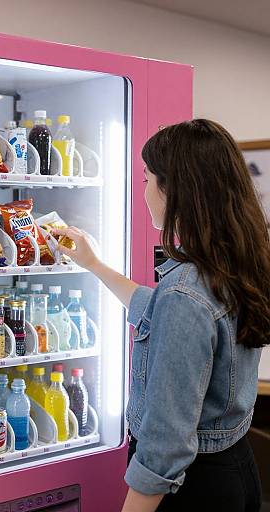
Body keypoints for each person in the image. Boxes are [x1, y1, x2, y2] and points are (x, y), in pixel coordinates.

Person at [53, 119, 269, 512]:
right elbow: (160, 312)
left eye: (148, 179)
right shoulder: (231, 262)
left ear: (176, 192)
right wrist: (95, 266)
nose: (144, 190)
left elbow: (165, 444)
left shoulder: (185, 292)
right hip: (234, 467)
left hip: (191, 488)